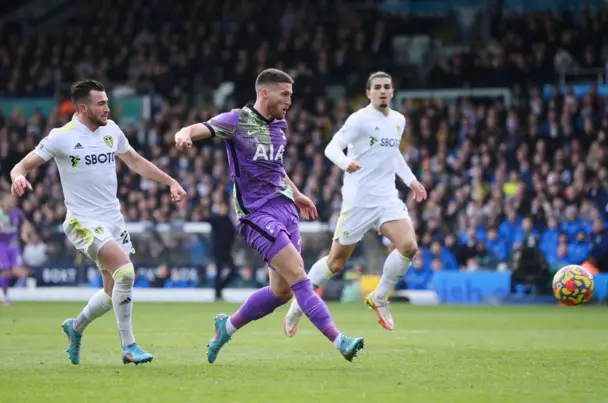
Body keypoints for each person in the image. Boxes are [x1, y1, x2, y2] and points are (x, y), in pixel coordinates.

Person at [174, 68, 365, 364]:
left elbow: (276, 166)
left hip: (286, 209)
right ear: (265, 93)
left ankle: (225, 327)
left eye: (291, 94)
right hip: (256, 214)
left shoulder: (281, 125)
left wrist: (297, 192)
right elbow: (198, 128)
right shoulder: (237, 120)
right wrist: (184, 134)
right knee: (300, 276)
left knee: (282, 291)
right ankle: (340, 340)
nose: (289, 101)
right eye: (285, 94)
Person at [10, 80, 187, 365]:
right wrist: (18, 177)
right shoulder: (61, 137)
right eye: (101, 103)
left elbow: (136, 162)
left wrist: (170, 181)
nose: (108, 108)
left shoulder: (112, 130)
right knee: (126, 273)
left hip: (112, 219)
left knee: (111, 291)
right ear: (83, 107)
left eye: (107, 102)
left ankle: (75, 327)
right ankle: (129, 347)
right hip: (82, 221)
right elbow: (21, 166)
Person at [283, 72, 427, 335]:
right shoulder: (359, 120)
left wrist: (412, 181)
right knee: (335, 264)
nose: (383, 91)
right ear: (369, 93)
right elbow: (332, 148)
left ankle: (380, 297)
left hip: (386, 199)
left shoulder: (398, 120)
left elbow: (393, 153)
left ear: (392, 92)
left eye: (387, 87)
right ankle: (299, 303)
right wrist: (345, 163)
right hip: (359, 201)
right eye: (377, 88)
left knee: (408, 246)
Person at [0, 195, 28, 306]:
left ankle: (6, 288)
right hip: (2, 246)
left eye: (12, 200)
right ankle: (6, 295)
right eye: (8, 200)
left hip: (14, 246)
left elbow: (25, 223)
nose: (10, 202)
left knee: (18, 271)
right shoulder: (1, 213)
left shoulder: (17, 213)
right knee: (6, 270)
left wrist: (24, 233)